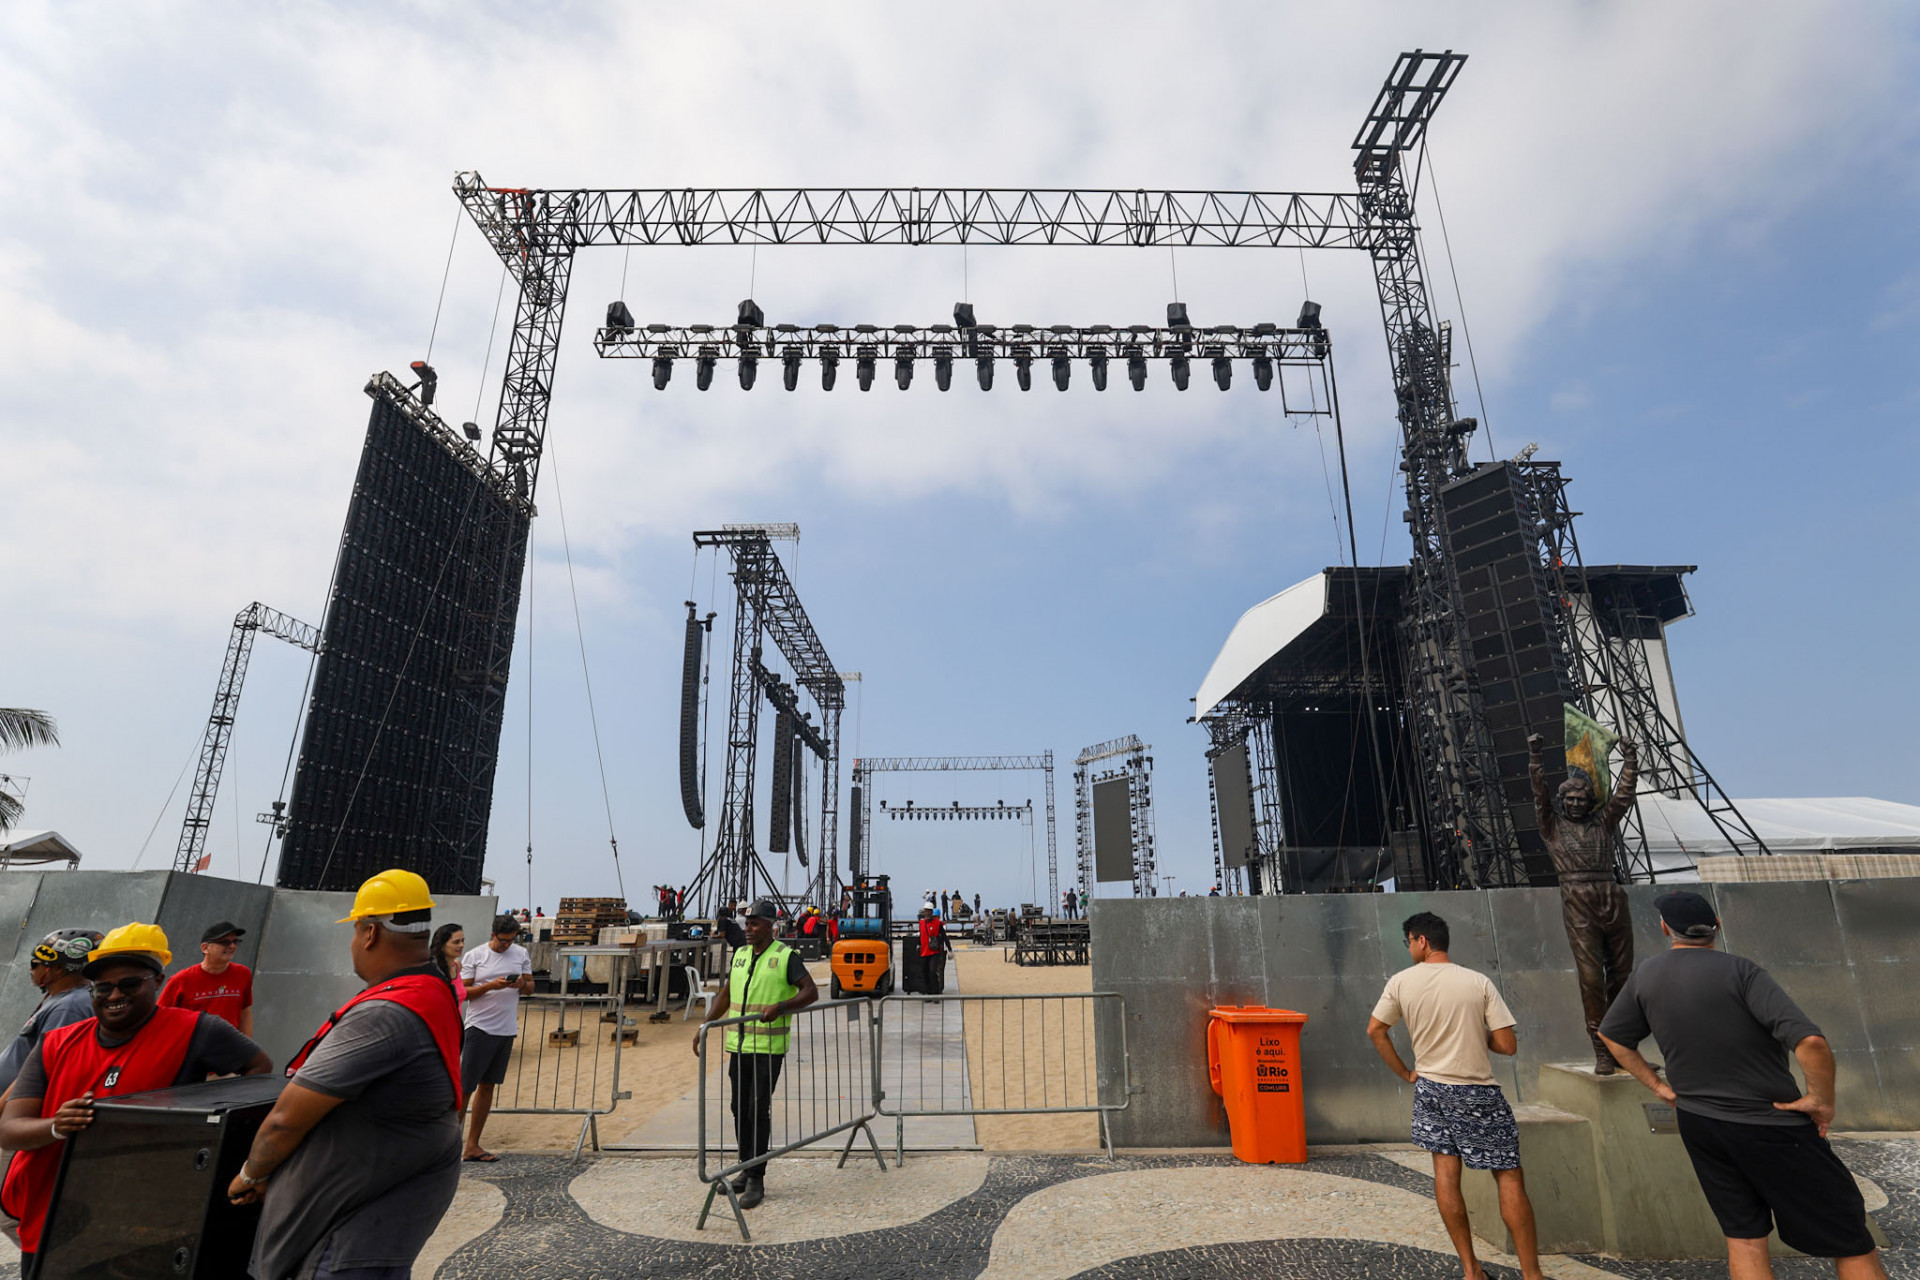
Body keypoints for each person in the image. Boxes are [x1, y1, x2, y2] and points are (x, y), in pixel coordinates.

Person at [1599, 891, 1885, 1279]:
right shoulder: (1742, 972)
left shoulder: (1646, 974)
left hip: (1701, 1125)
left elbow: (1613, 1037)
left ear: (1666, 928)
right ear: (1717, 927)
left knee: (1745, 1236)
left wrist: (1658, 1087)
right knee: (1850, 1238)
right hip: (1772, 1126)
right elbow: (1811, 1043)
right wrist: (1821, 1101)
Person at [231, 868, 465, 1280]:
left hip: (345, 1240)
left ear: (370, 933)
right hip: (381, 1211)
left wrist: (252, 1173)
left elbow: (284, 1121)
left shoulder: (382, 1015)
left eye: (355, 931)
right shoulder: (431, 991)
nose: (354, 942)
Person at [0, 923, 270, 1270]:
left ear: (157, 981)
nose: (114, 995)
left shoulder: (196, 1030)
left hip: (144, 1223)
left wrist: (204, 1125)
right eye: (103, 987)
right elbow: (9, 1129)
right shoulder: (56, 1042)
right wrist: (57, 1126)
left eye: (129, 984)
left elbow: (259, 1070)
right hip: (53, 1214)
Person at [1367, 912, 1545, 1280]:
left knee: (1446, 1175)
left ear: (1421, 941)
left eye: (1409, 943)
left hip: (1431, 1088)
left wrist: (1405, 1073)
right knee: (1508, 1177)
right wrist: (1477, 1036)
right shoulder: (1477, 982)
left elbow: (1375, 1030)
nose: (1410, 949)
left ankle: (1471, 1270)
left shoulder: (1400, 983)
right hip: (1478, 1091)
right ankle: (1532, 1275)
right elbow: (1508, 1045)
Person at [692, 898, 818, 1210]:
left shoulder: (785, 957)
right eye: (746, 923)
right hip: (739, 1048)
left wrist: (782, 1007)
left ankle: (757, 1176)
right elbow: (727, 994)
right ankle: (744, 1167)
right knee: (739, 1108)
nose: (747, 929)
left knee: (757, 1111)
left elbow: (810, 992)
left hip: (767, 1049)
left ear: (770, 925)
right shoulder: (741, 955)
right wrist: (705, 1026)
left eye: (754, 923)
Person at [1529, 731, 1638, 1074]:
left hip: (1611, 894)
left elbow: (1623, 795)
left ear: (1590, 802)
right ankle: (1601, 1050)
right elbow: (1539, 796)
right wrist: (1535, 756)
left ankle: (1625, 1048)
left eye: (1581, 799)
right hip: (1578, 899)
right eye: (1571, 800)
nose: (1576, 803)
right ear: (1564, 803)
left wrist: (1630, 761)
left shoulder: (1604, 822)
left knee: (1622, 974)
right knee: (1591, 978)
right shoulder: (1552, 827)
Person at [457, 913, 532, 1163]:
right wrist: (491, 986)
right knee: (465, 1087)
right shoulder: (475, 955)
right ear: (493, 935)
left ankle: (472, 1145)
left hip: (506, 1028)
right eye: (503, 941)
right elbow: (464, 992)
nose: (506, 945)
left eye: (511, 941)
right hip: (479, 1028)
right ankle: (447, 1145)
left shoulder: (521, 954)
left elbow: (531, 986)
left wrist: (521, 984)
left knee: (488, 1087)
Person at [0, 930, 102, 1095]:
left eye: (35, 964)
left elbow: (41, 1071)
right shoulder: (65, 1000)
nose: (30, 969)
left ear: (58, 968)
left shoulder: (69, 1007)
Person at [159, 920, 255, 1035]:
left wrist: (246, 1048)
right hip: (194, 1050)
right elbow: (160, 1018)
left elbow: (245, 1012)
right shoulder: (180, 981)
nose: (232, 946)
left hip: (230, 1049)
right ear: (205, 948)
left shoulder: (243, 974)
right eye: (225, 942)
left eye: (235, 941)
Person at [916, 907, 951, 995]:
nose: (927, 913)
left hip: (935, 951)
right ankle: (928, 992)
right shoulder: (921, 923)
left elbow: (944, 936)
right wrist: (919, 945)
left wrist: (949, 949)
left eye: (929, 912)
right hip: (924, 951)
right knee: (925, 972)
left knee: (933, 971)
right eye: (926, 911)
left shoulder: (938, 924)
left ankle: (936, 991)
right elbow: (920, 936)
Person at [431, 923, 467, 1004]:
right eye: (456, 942)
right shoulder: (433, 971)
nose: (461, 945)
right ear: (442, 945)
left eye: (462, 941)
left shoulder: (457, 966)